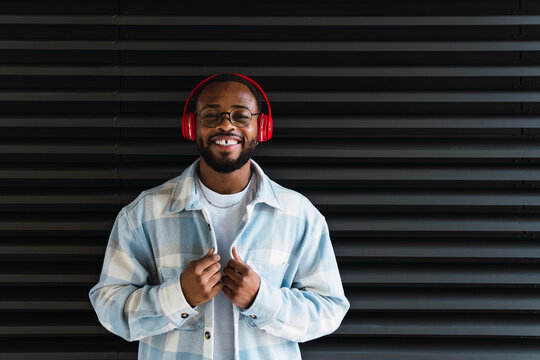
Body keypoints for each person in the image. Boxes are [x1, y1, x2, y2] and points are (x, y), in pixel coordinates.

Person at [89, 73, 350, 360]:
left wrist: (261, 300)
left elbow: (329, 310)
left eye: (241, 115)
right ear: (192, 125)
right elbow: (108, 308)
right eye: (211, 115)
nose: (226, 124)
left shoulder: (300, 215)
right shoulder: (142, 214)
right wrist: (179, 295)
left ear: (262, 127)